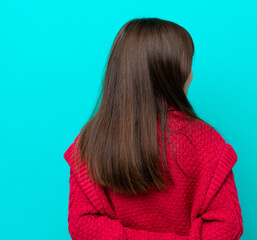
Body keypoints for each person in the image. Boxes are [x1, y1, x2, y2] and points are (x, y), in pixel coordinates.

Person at [63, 17, 243, 239]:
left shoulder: (91, 140)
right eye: (187, 65)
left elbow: (84, 225)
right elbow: (227, 227)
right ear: (167, 74)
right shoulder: (206, 141)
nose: (192, 74)